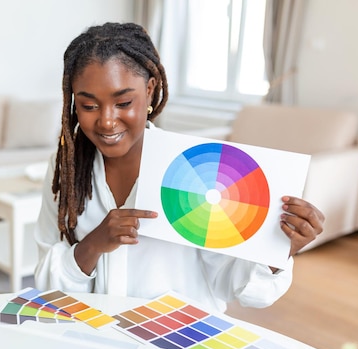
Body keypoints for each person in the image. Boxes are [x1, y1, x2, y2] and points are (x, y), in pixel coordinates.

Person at [34, 22, 324, 312]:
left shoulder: (195, 169)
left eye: (123, 102)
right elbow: (50, 285)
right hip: (104, 336)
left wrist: (279, 250)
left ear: (149, 90)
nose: (107, 121)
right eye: (88, 106)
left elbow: (234, 284)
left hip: (182, 341)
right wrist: (94, 244)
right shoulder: (67, 170)